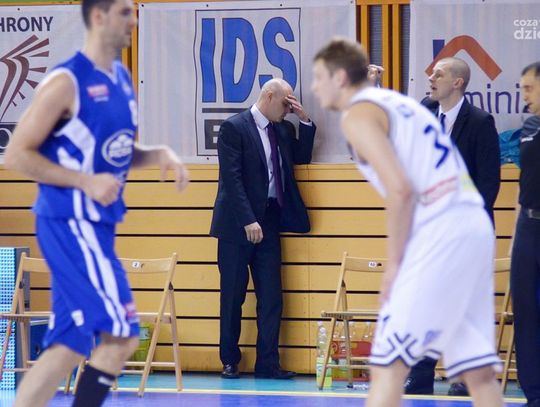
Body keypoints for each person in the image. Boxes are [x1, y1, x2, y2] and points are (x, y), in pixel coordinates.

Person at [4, 1, 189, 406]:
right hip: (70, 221)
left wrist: (156, 154)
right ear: (98, 16)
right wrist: (83, 181)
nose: (134, 19)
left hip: (97, 226)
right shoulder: (66, 81)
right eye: (124, 12)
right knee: (121, 335)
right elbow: (16, 154)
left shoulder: (120, 78)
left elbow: (111, 153)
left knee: (67, 346)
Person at [311, 37, 503, 407]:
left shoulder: (358, 114)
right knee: (479, 374)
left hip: (441, 230)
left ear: (339, 78)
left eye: (319, 77)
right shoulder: (404, 104)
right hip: (473, 226)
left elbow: (400, 190)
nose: (315, 87)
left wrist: (395, 266)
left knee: (388, 366)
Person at [405, 57, 501, 397]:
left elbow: (488, 183)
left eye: (439, 74)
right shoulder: (426, 111)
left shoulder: (480, 122)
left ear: (458, 82)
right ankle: (420, 375)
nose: (431, 77)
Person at [209, 78, 315, 379]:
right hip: (236, 224)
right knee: (233, 295)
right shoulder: (234, 127)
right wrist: (247, 220)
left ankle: (268, 363)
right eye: (285, 103)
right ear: (269, 96)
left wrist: (304, 120)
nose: (288, 109)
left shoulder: (282, 129)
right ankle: (230, 360)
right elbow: (231, 179)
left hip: (269, 219)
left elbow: (302, 156)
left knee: (271, 297)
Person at [510, 62, 540, 407]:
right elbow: (524, 183)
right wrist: (515, 238)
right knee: (526, 314)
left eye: (529, 89)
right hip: (528, 227)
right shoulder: (529, 126)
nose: (524, 96)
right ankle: (534, 395)